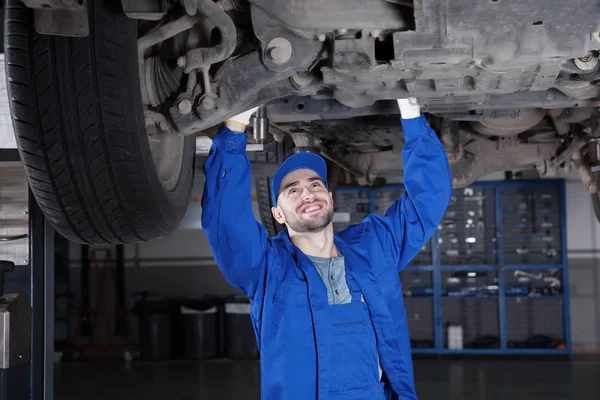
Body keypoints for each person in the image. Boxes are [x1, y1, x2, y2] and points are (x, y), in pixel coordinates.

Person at [202, 98, 452, 400]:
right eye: (292, 190)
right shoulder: (268, 269)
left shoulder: (374, 250)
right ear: (278, 214)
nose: (308, 193)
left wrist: (412, 115)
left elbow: (427, 201)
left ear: (330, 199)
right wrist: (234, 128)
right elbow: (227, 219)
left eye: (316, 185)